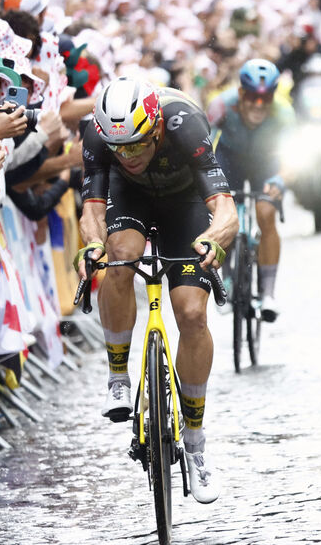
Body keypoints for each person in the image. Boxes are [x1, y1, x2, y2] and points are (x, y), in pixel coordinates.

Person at [78, 77, 237, 504]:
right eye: (119, 149)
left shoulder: (185, 123)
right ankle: (116, 375)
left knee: (189, 313)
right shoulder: (97, 133)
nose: (128, 156)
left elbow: (225, 208)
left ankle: (197, 442)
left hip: (185, 201)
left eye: (137, 145)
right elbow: (91, 210)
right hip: (129, 199)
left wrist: (216, 237)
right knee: (119, 255)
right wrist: (92, 244)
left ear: (158, 128)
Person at [206, 59, 292, 322]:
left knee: (265, 213)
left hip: (265, 162)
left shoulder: (284, 113)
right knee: (224, 211)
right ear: (241, 93)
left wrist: (281, 178)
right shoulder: (220, 105)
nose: (259, 105)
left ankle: (268, 293)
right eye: (253, 96)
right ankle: (227, 277)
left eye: (266, 98)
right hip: (228, 158)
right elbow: (203, 149)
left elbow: (294, 158)